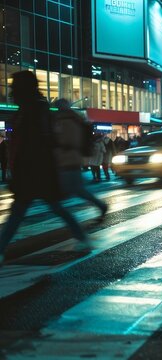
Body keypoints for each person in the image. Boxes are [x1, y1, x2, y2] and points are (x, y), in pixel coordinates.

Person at [0, 71, 88, 264]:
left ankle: (82, 236)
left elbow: (39, 143)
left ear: (24, 89)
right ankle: (82, 237)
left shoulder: (35, 110)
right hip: (34, 171)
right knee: (36, 210)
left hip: (37, 170)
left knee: (25, 211)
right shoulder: (29, 109)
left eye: (15, 87)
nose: (12, 91)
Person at [53, 99, 108, 223]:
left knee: (59, 197)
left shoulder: (67, 120)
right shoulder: (72, 119)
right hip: (69, 160)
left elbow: (69, 140)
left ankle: (76, 227)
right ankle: (101, 206)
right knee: (78, 191)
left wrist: (58, 145)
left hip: (68, 160)